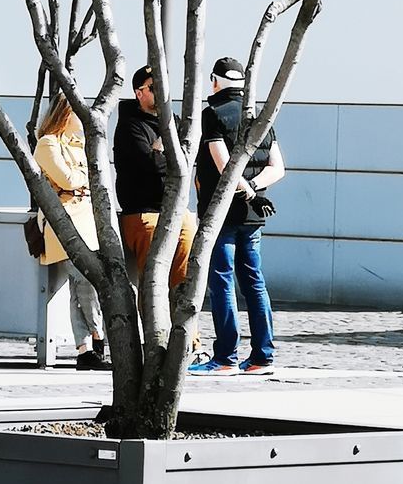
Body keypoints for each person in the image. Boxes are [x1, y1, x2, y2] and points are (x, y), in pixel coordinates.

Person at [188, 55, 285, 376]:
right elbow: (278, 168)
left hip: (221, 214)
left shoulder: (212, 115)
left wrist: (247, 190)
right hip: (252, 217)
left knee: (222, 283)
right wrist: (255, 190)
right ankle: (262, 356)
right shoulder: (258, 117)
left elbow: (224, 166)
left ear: (215, 82)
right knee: (255, 283)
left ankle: (226, 357)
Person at [34, 96, 110, 371]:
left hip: (86, 219)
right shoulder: (47, 143)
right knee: (85, 279)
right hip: (64, 221)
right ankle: (98, 337)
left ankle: (85, 349)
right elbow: (68, 179)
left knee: (81, 286)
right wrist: (80, 181)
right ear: (65, 114)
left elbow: (93, 173)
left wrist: (78, 181)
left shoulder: (77, 144)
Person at [113, 64, 197, 297]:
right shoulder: (130, 125)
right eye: (153, 87)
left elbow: (185, 161)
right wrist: (165, 141)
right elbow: (152, 164)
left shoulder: (177, 122)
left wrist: (160, 152)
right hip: (145, 214)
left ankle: (187, 334)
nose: (161, 92)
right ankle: (154, 332)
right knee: (154, 285)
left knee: (185, 283)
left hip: (177, 212)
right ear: (139, 93)